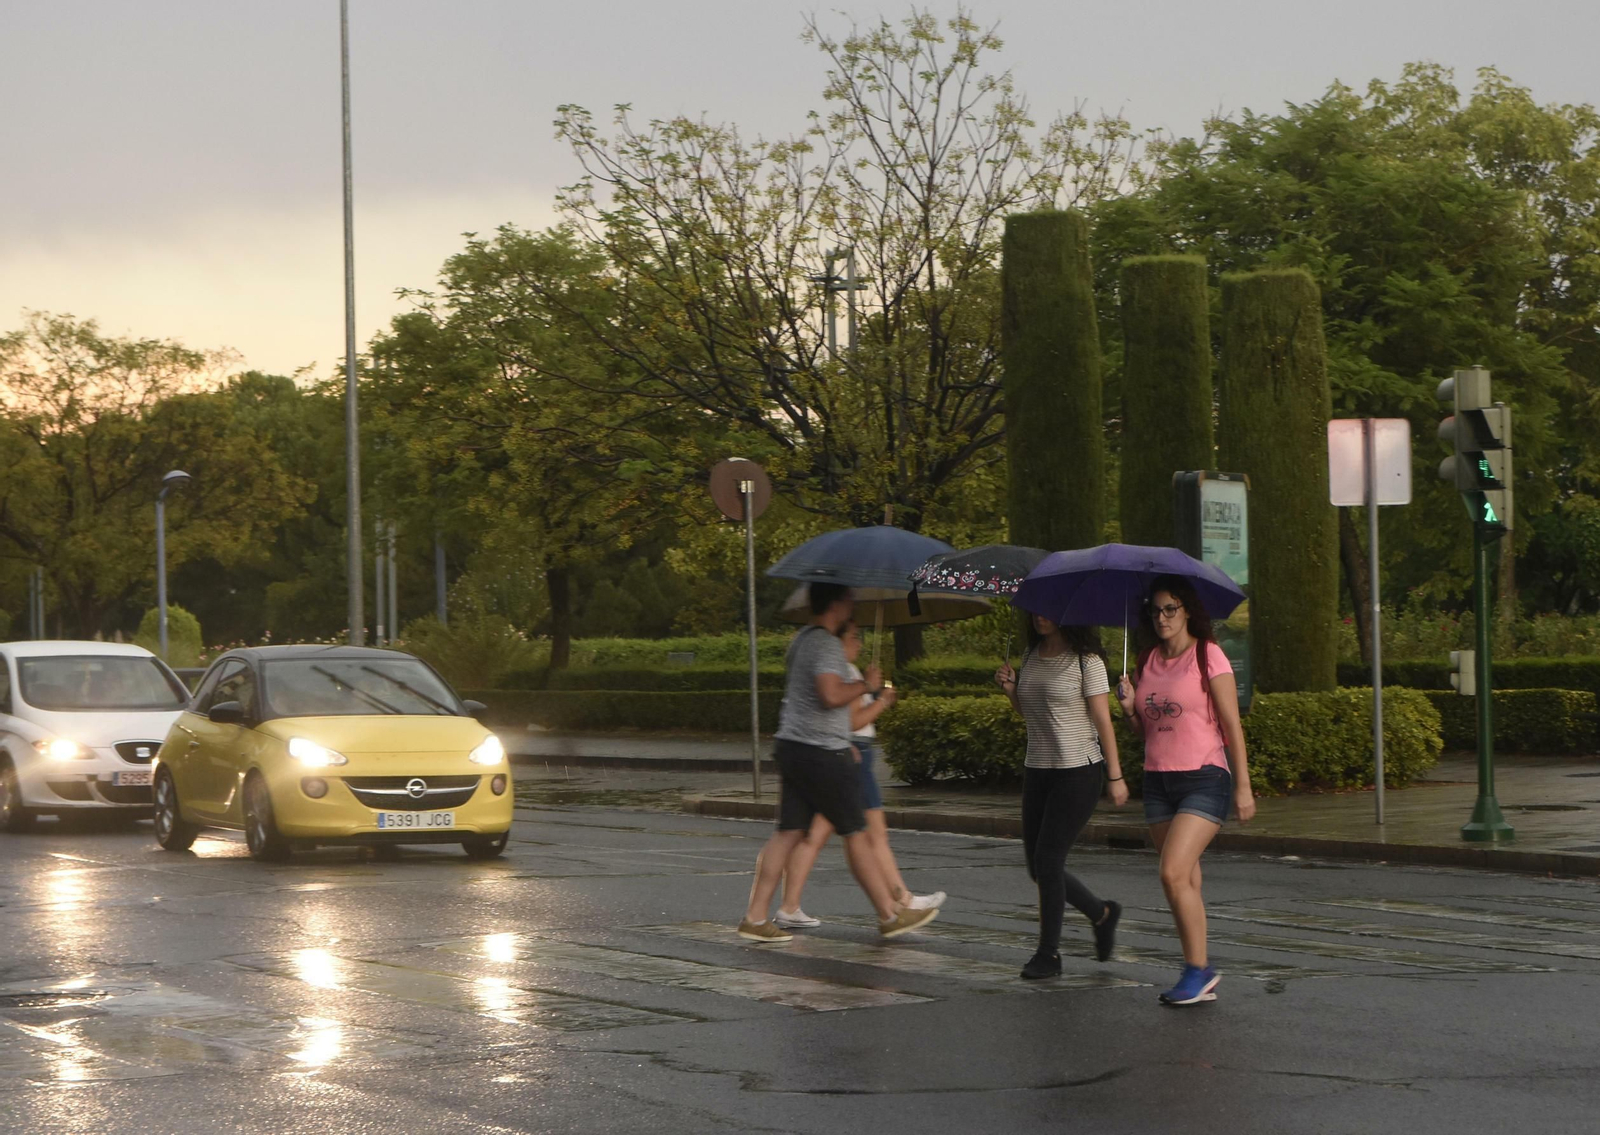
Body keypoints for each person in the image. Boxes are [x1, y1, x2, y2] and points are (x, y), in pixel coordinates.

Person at [737, 583, 941, 943]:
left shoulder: (802, 639)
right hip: (821, 753)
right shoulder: (827, 644)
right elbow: (831, 695)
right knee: (857, 832)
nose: (853, 604)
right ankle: (889, 913)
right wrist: (865, 685)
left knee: (789, 833)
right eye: (848, 598)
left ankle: (755, 917)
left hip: (794, 747)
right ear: (835, 603)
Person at [1114, 574, 1255, 1006]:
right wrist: (1127, 710)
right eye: (1155, 610)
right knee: (1186, 879)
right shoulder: (1146, 662)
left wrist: (1244, 786)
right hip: (1158, 780)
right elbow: (1146, 731)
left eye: (1170, 609)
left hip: (1205, 776)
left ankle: (1196, 971)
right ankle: (1200, 968)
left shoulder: (1208, 655)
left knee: (1172, 873)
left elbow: (1231, 724)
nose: (1162, 617)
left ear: (1188, 611)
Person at [773, 619, 946, 930]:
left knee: (822, 835)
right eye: (853, 636)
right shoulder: (848, 674)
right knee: (866, 835)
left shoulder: (845, 672)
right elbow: (853, 722)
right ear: (837, 641)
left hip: (846, 754)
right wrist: (881, 701)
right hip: (853, 754)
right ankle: (899, 903)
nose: (860, 643)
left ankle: (791, 905)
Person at [995, 614, 1128, 979]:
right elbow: (1032, 712)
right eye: (1035, 609)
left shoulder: (1088, 661)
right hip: (1038, 769)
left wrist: (1115, 776)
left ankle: (1049, 955)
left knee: (1049, 861)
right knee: (1037, 867)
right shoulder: (1031, 655)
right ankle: (1102, 914)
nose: (1040, 616)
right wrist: (1011, 691)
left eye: (1049, 609)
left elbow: (1102, 720)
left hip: (1078, 771)